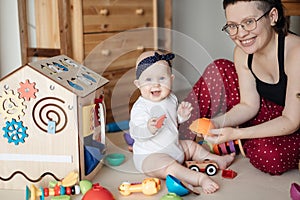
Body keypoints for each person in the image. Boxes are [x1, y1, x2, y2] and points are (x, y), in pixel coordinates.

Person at [179, 0, 300, 175]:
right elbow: (249, 105)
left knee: (270, 156)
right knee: (219, 69)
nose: (241, 34)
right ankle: (173, 136)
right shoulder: (242, 53)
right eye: (232, 26)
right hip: (264, 110)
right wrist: (217, 123)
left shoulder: (295, 53)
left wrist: (236, 135)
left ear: (273, 16)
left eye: (249, 22)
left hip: (292, 121)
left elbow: (291, 121)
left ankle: (241, 137)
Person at [129, 50, 235, 194]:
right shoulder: (140, 107)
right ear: (138, 83)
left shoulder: (171, 98)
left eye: (161, 78)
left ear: (171, 79)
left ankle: (217, 159)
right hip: (150, 156)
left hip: (174, 147)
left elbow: (173, 122)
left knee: (192, 146)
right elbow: (136, 132)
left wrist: (181, 116)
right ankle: (199, 179)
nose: (156, 85)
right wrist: (149, 128)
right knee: (170, 167)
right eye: (148, 80)